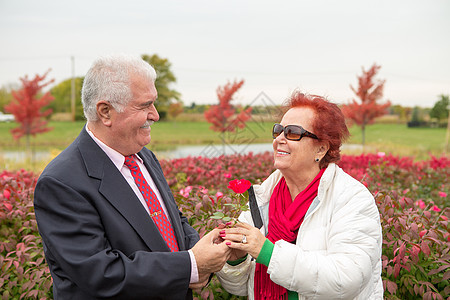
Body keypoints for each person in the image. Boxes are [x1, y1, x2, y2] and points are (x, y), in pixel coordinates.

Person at [34, 54, 231, 299]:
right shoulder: (61, 182)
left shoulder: (143, 157)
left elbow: (171, 222)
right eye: (144, 105)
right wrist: (191, 265)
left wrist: (204, 248)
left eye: (154, 103)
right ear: (105, 112)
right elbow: (101, 273)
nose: (156, 115)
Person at [216, 92, 383, 299]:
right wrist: (236, 260)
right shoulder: (262, 198)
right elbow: (242, 288)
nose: (279, 139)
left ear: (321, 149)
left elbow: (347, 278)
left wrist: (268, 252)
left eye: (293, 133)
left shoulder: (351, 198)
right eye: (278, 130)